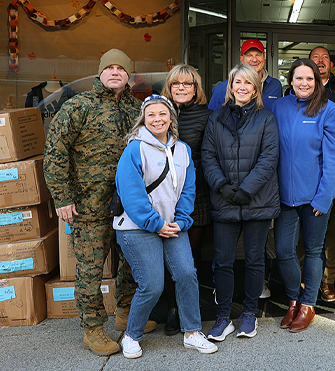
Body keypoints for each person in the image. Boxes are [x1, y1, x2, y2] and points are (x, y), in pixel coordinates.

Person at [44, 49, 149, 357]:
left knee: (131, 262)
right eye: (109, 68)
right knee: (90, 269)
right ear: (100, 73)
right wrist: (62, 197)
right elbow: (55, 151)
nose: (115, 72)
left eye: (121, 68)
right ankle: (92, 328)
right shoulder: (79, 106)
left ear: (129, 75)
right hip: (89, 205)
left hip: (129, 204)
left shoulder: (139, 108)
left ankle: (125, 311)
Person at [114, 95, 217, 358]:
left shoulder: (183, 150)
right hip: (137, 227)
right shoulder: (134, 149)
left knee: (186, 274)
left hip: (172, 225)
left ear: (171, 118)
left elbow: (188, 189)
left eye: (163, 114)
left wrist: (181, 220)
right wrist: (155, 224)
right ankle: (131, 336)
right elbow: (131, 195)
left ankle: (192, 332)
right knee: (152, 284)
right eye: (151, 115)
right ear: (144, 119)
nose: (157, 119)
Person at [201, 64, 280, 342]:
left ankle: (249, 314)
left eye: (249, 82)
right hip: (224, 200)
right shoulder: (216, 119)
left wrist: (246, 190)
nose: (243, 87)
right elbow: (207, 156)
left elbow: (269, 158)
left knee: (255, 260)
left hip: (257, 200)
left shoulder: (266, 118)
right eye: (238, 82)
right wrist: (222, 186)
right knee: (222, 261)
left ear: (256, 88)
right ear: (230, 87)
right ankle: (223, 317)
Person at [274, 59, 335, 333]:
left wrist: (324, 196)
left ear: (317, 81)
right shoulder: (279, 107)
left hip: (316, 196)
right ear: (290, 81)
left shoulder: (329, 110)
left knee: (315, 251)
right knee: (283, 251)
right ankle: (294, 299)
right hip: (284, 197)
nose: (304, 83)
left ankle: (308, 304)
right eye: (299, 78)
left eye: (310, 79)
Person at [159, 65, 213, 335]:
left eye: (187, 84)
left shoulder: (207, 116)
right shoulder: (157, 113)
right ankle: (172, 310)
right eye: (176, 83)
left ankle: (188, 309)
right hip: (163, 200)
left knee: (189, 260)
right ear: (169, 87)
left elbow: (210, 157)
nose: (181, 88)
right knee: (169, 259)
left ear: (196, 89)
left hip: (197, 199)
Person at [308, 45, 335, 304]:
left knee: (331, 231)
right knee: (306, 233)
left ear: (331, 64)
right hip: (306, 174)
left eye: (325, 58)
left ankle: (328, 279)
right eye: (316, 58)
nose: (321, 61)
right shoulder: (296, 92)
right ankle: (308, 276)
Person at [208, 39, 283, 112]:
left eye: (258, 55)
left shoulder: (275, 86)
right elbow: (213, 120)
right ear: (242, 59)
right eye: (249, 55)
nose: (254, 59)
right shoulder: (221, 88)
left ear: (264, 57)